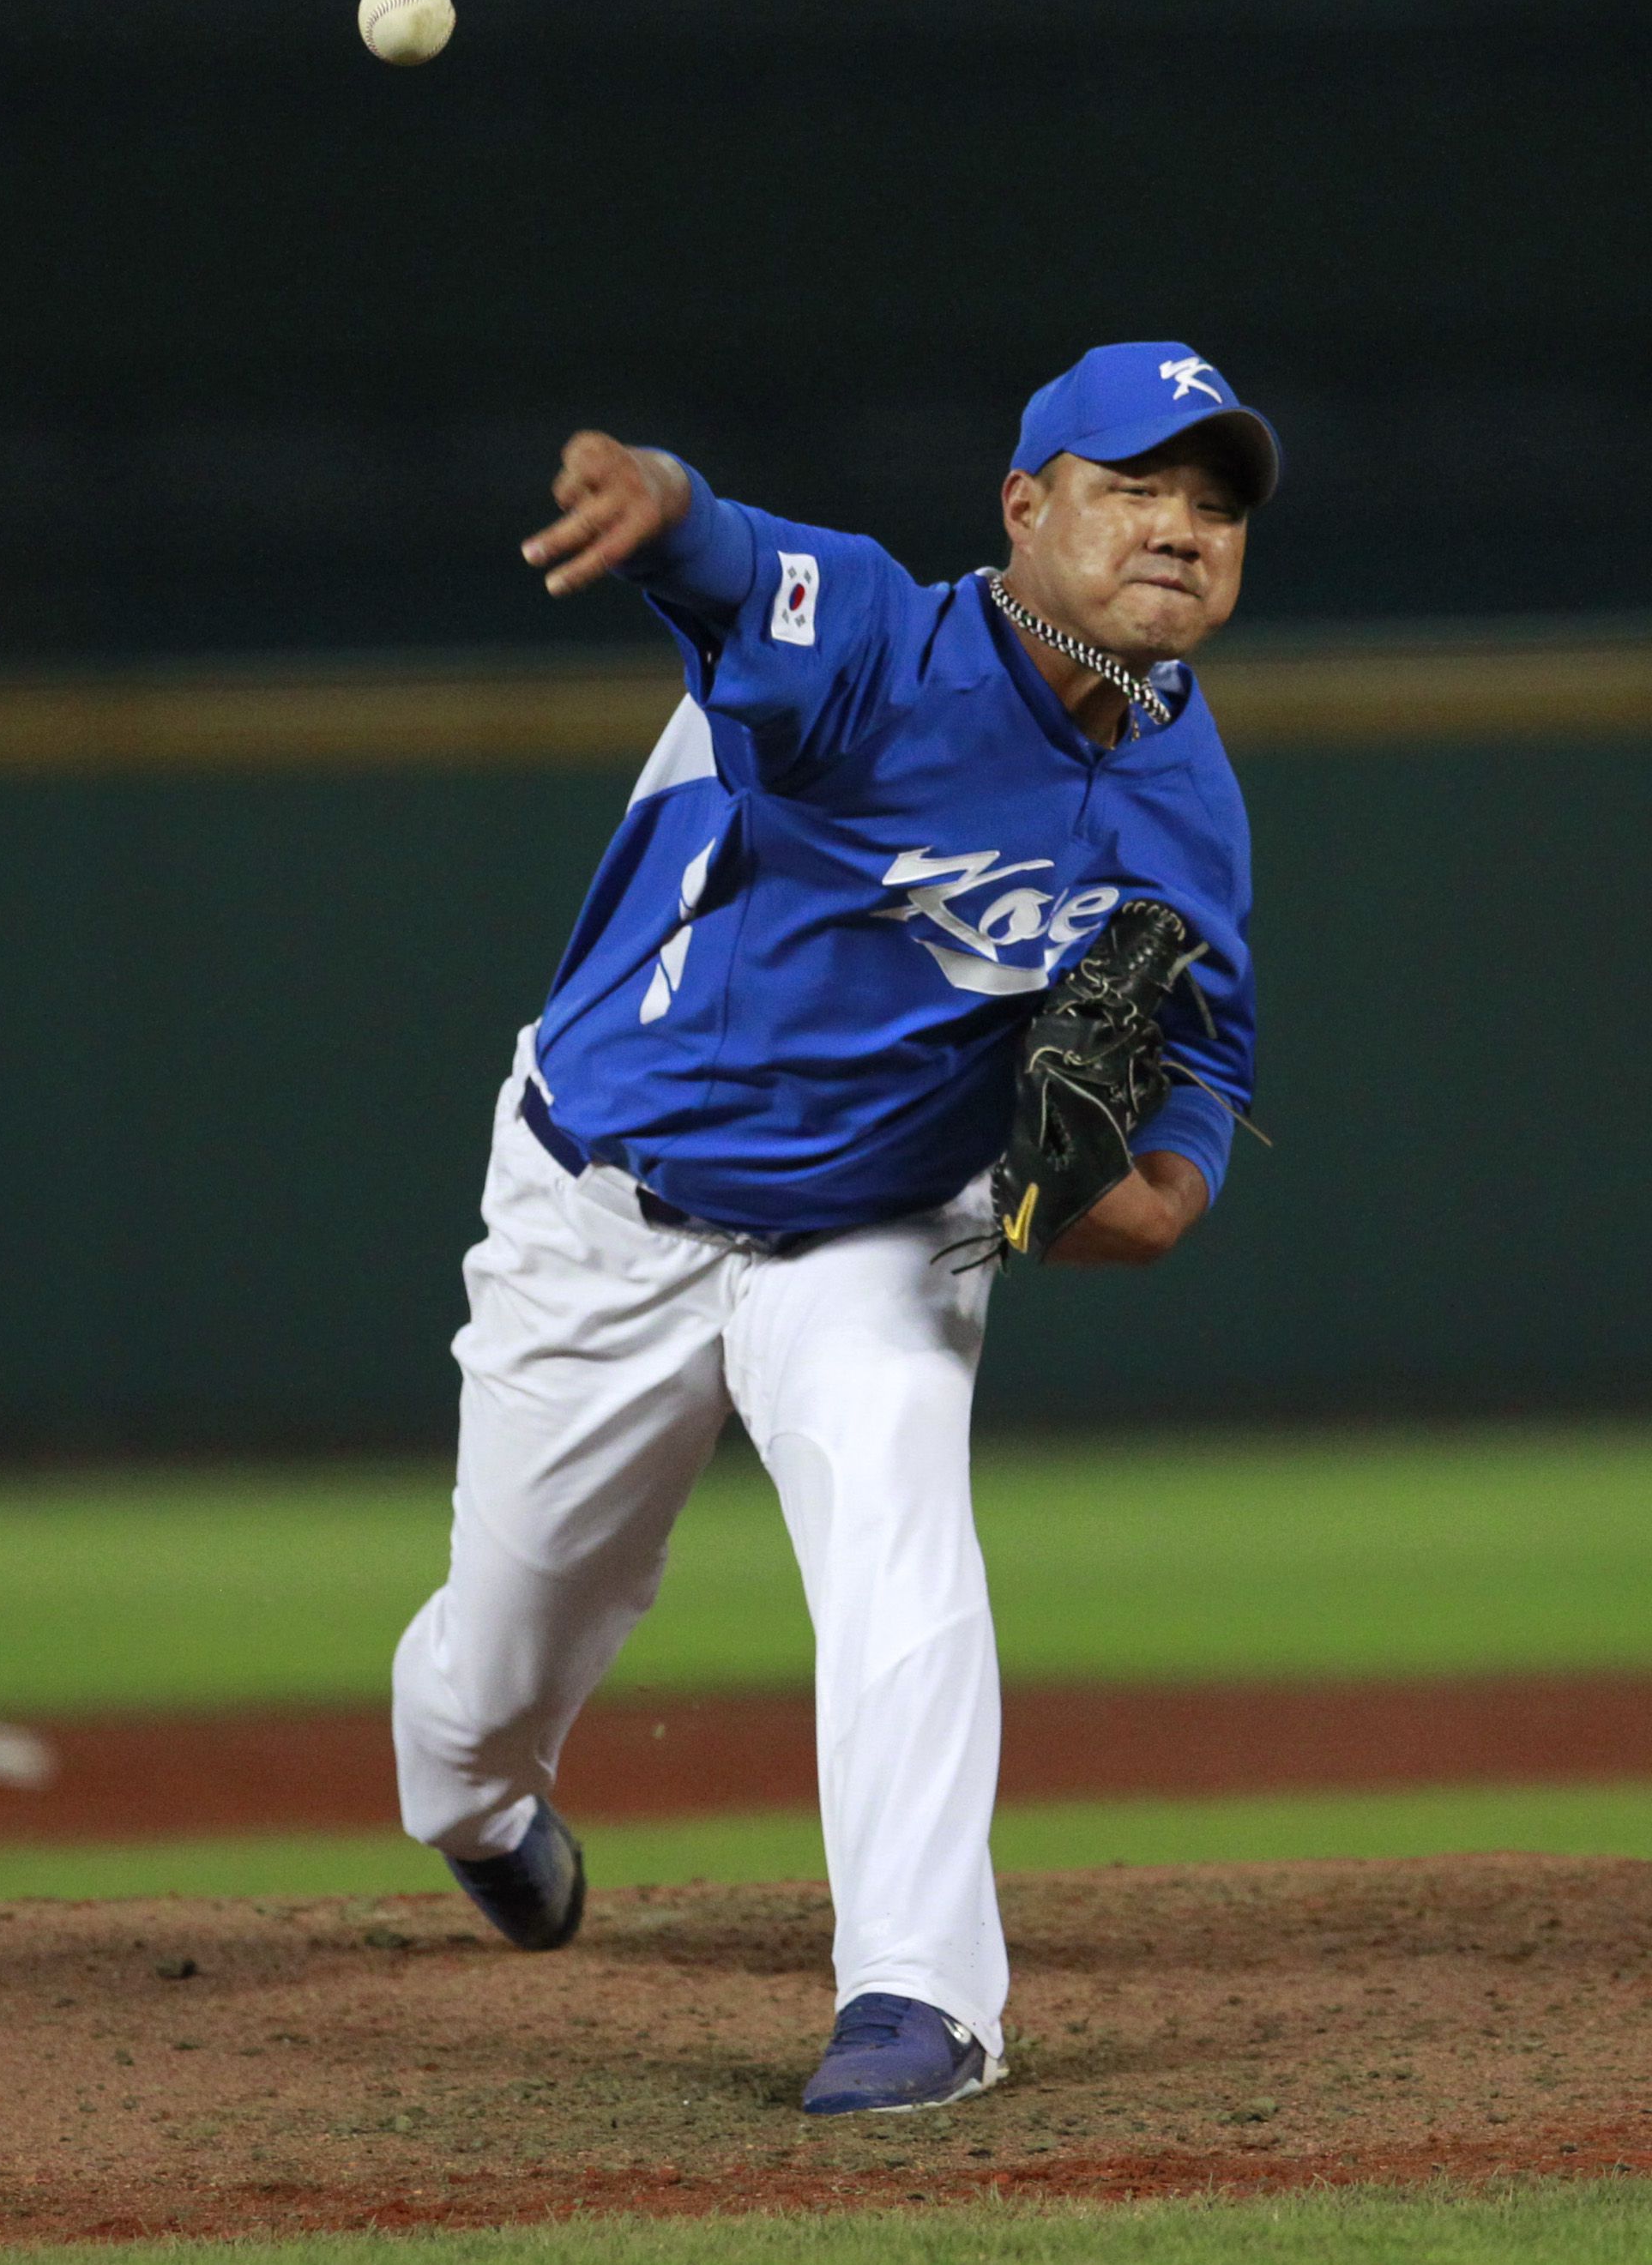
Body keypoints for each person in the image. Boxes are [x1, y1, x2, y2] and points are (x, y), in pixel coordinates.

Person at [392, 342, 1276, 2115]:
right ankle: (480, 1805)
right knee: (495, 1662)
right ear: (1024, 510)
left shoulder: (1192, 813)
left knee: (900, 1537)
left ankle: (922, 1997)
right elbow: (730, 561)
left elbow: (1170, 1163)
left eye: (1216, 501)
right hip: (606, 1198)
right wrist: (659, 505)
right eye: (1135, 487)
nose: (1180, 529)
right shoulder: (881, 638)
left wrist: (1090, 1195)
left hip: (880, 1225)